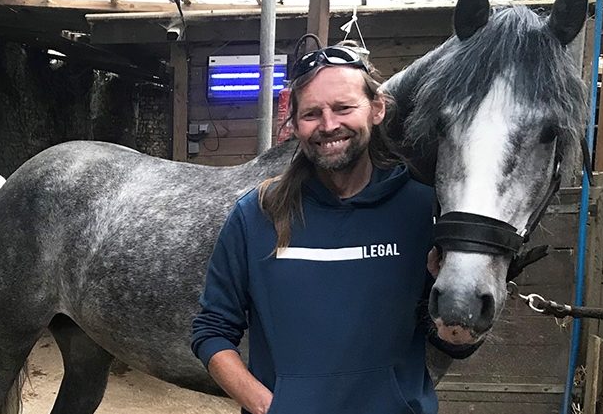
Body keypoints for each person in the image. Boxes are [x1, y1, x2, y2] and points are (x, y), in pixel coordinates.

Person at [191, 42, 476, 414]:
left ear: (377, 110)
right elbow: (211, 331)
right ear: (293, 124)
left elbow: (451, 341)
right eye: (312, 113)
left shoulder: (424, 210)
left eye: (344, 108)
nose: (328, 126)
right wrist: (268, 407)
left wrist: (461, 313)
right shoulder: (256, 215)